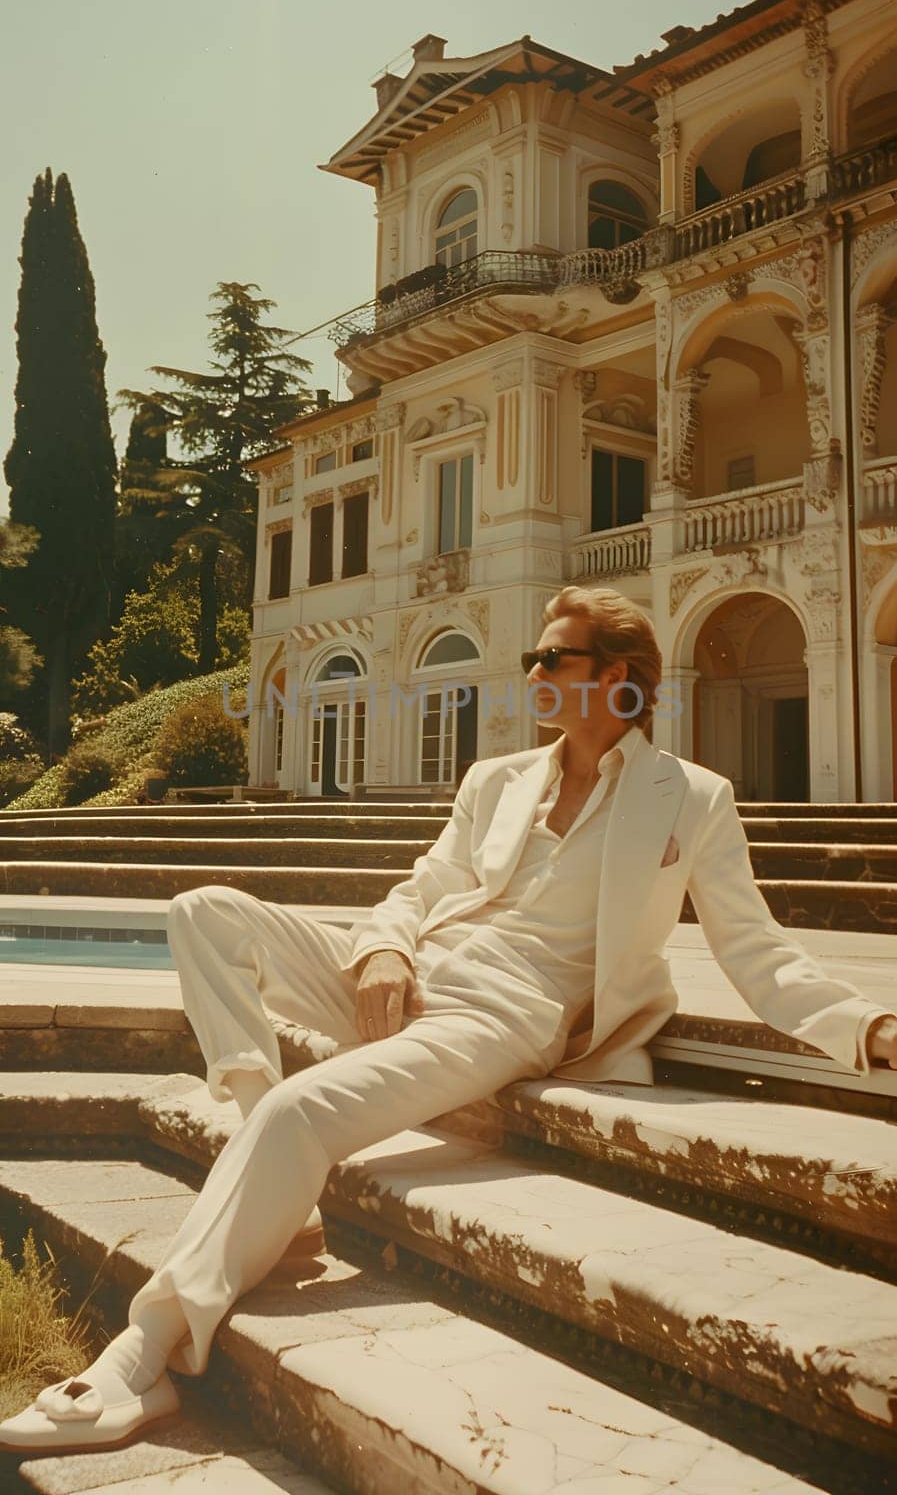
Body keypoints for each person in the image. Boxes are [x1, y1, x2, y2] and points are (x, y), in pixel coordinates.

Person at [3, 585, 896, 1455]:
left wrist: (868, 1027)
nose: (532, 669)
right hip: (413, 973)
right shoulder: (496, 778)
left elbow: (755, 951)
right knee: (204, 910)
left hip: (503, 1013)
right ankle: (282, 1192)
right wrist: (383, 950)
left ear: (620, 675)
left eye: (553, 655)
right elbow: (419, 889)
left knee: (300, 1110)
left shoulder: (689, 797)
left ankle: (145, 1354)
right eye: (531, 656)